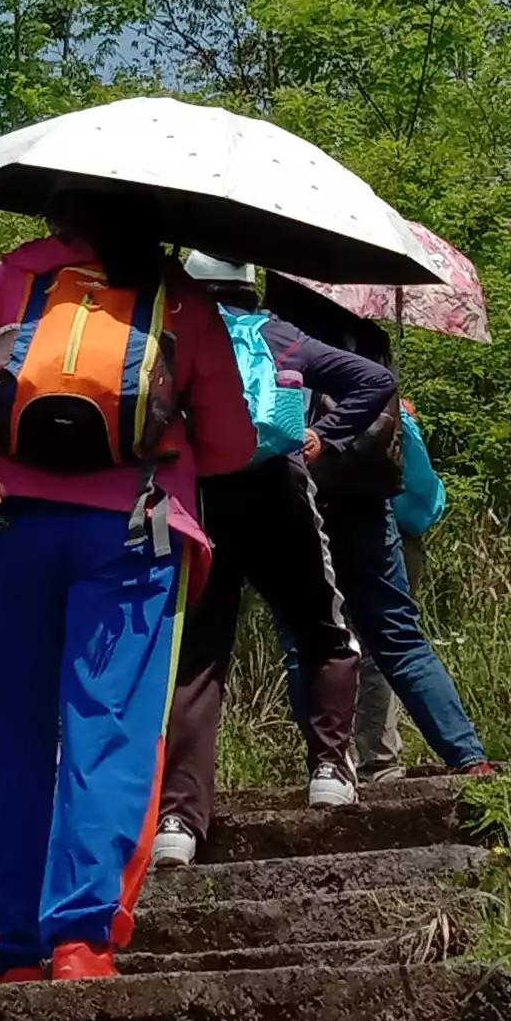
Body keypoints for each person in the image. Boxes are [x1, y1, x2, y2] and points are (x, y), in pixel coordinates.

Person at [0, 213, 258, 976]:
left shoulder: (20, 275)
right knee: (112, 727)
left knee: (19, 736)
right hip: (133, 532)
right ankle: (82, 942)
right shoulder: (180, 298)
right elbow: (231, 443)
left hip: (5, 518)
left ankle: (14, 947)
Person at [157, 267, 391, 837]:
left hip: (197, 500)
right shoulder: (277, 334)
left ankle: (178, 823)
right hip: (277, 492)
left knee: (197, 658)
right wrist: (326, 436)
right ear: (248, 285)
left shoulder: (170, 331)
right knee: (324, 631)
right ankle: (332, 769)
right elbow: (373, 380)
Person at [262, 285, 494, 789]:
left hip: (293, 503)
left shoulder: (273, 336)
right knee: (400, 638)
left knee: (306, 645)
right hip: (364, 504)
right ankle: (468, 758)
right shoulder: (366, 338)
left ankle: (330, 768)